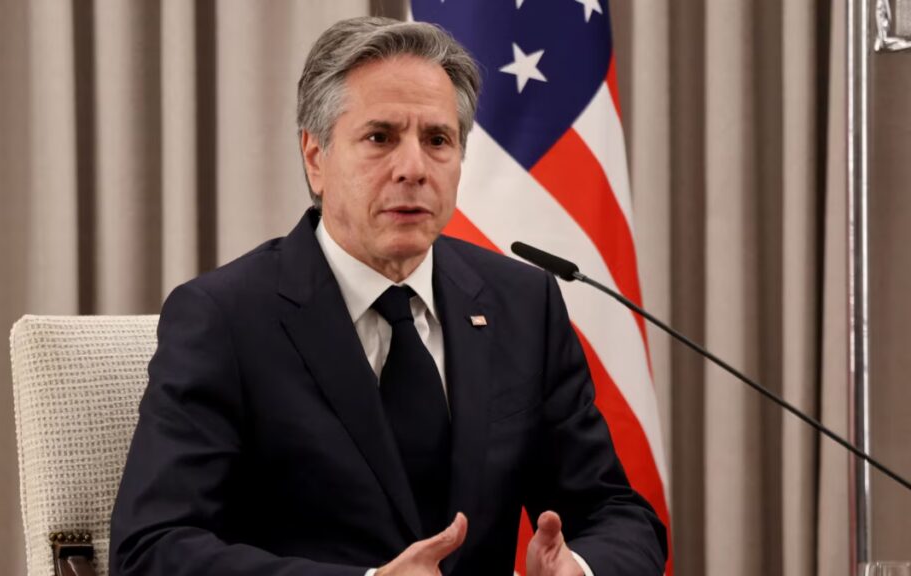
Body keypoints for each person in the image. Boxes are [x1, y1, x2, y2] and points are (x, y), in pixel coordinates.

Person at [110, 16, 666, 576]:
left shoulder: (523, 304)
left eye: (438, 140)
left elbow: (617, 513)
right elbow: (151, 547)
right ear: (315, 157)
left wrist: (580, 569)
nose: (413, 169)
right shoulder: (225, 318)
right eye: (380, 138)